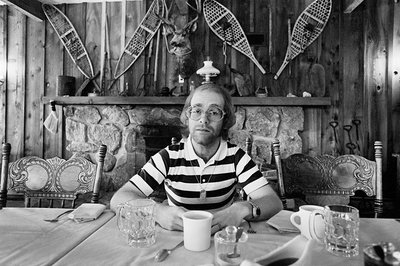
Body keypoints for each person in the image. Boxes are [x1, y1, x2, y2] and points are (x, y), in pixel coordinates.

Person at [110, 83, 283, 234]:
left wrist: (241, 209)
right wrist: (156, 212)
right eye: (197, 111)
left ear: (225, 120)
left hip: (221, 241)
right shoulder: (168, 156)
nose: (204, 119)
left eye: (214, 112)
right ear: (187, 117)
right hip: (175, 241)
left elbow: (274, 203)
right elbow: (119, 199)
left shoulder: (236, 158)